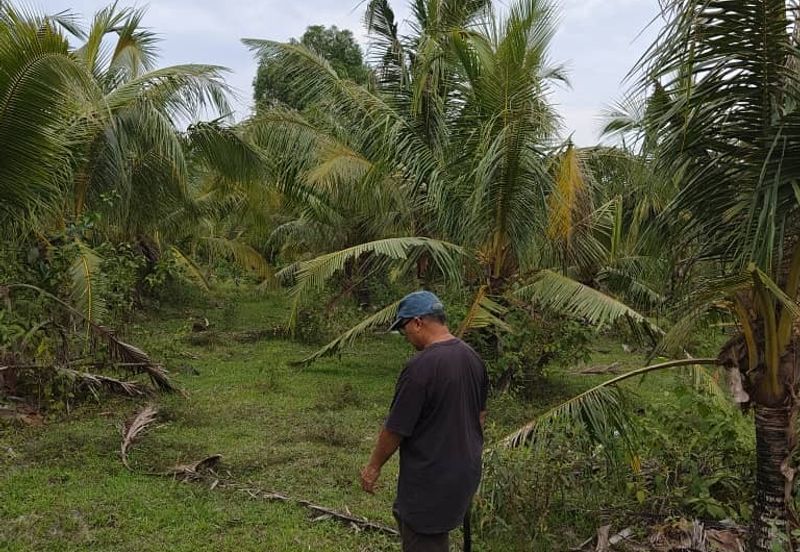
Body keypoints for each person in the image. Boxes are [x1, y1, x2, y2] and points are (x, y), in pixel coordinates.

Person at [360, 290, 488, 552]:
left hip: (431, 480)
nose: (405, 336)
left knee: (424, 538)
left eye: (404, 327)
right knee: (432, 531)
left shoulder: (421, 367)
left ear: (418, 322)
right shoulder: (472, 358)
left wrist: (373, 467)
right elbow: (480, 418)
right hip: (464, 472)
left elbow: (395, 429)